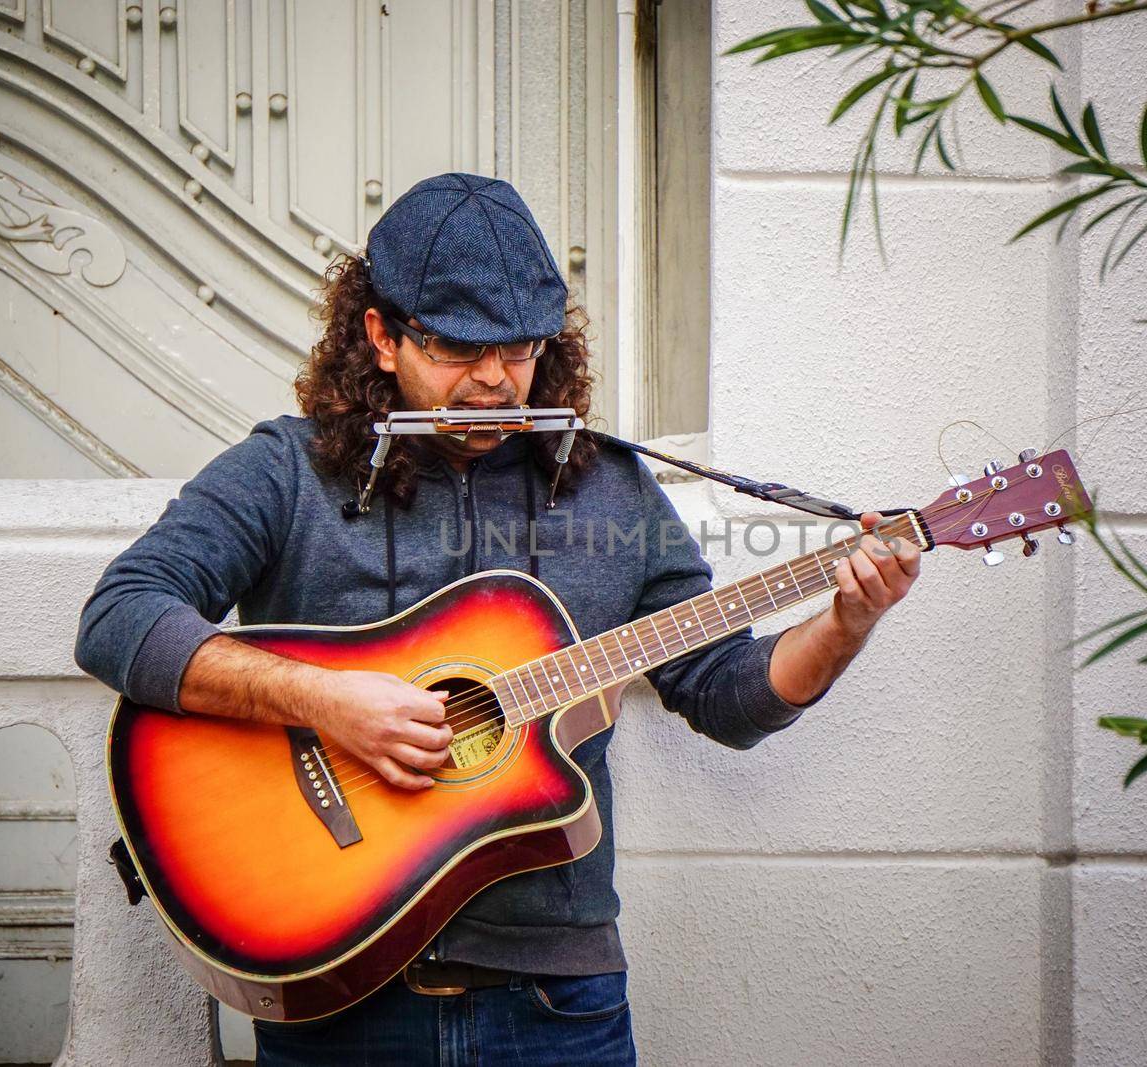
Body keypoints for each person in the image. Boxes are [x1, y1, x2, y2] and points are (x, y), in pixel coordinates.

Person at [74, 172, 920, 1066]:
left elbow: (724, 695)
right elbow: (121, 616)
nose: (491, 379)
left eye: (518, 348)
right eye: (455, 348)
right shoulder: (288, 472)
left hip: (557, 1005)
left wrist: (843, 625)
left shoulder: (609, 491)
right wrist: (322, 701)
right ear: (381, 335)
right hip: (338, 999)